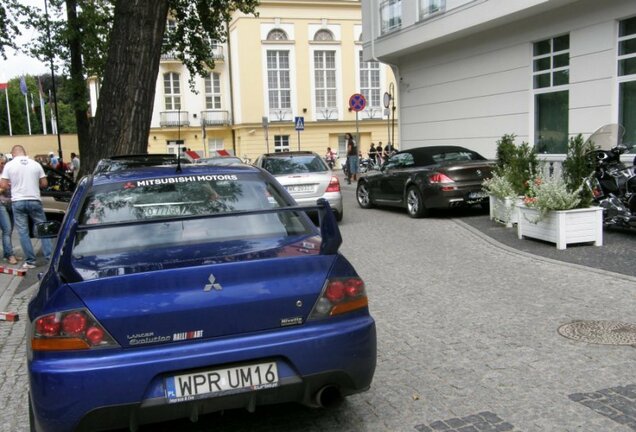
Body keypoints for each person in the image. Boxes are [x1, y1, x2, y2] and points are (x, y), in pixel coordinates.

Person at [0, 145, 52, 269]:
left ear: (13, 154)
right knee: (43, 229)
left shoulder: (9, 165)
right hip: (34, 199)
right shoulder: (35, 164)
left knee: (23, 232)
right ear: (25, 152)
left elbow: (3, 184)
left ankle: (30, 261)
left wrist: (14, 184)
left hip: (18, 201)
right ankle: (50, 257)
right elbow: (44, 183)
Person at [0, 156, 19, 265]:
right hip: (1, 204)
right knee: (6, 229)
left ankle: (8, 253)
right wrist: (4, 187)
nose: (2, 165)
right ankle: (10, 255)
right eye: (1, 163)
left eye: (3, 163)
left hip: (11, 203)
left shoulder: (7, 173)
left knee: (10, 230)